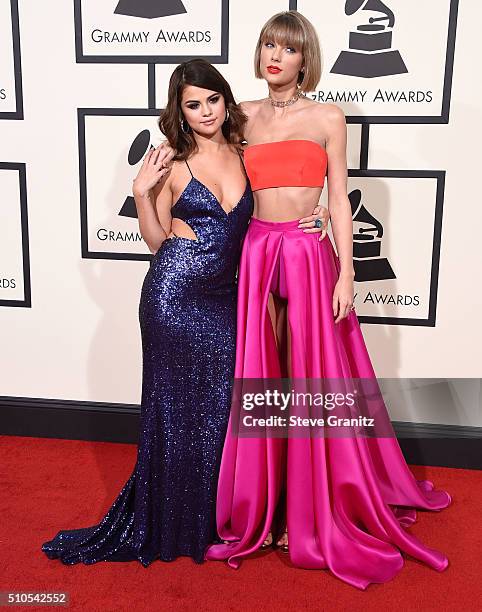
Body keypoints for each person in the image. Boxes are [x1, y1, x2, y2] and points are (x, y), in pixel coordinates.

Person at [205, 11, 452, 590]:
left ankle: (311, 510)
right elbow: (212, 165)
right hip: (258, 252)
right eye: (268, 45)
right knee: (266, 380)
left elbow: (339, 197)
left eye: (287, 49)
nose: (275, 57)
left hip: (309, 257)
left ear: (304, 59)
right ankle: (268, 507)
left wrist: (346, 274)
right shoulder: (239, 116)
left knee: (311, 381)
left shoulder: (328, 116)